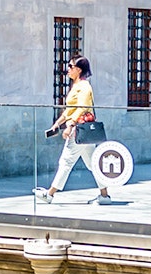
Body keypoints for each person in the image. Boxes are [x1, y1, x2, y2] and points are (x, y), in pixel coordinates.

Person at [34, 56, 113, 205]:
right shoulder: (77, 86)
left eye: (70, 66)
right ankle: (104, 195)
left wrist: (70, 126)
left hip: (79, 130)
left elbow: (82, 108)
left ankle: (50, 194)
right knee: (92, 164)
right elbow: (70, 110)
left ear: (78, 69)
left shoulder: (84, 87)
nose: (68, 69)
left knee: (66, 161)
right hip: (80, 130)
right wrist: (57, 124)